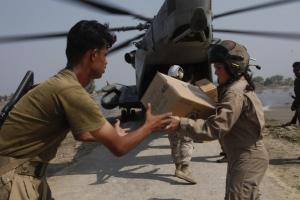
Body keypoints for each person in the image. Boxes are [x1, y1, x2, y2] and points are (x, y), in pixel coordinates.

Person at [0, 20, 172, 200]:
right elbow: (119, 148)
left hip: (27, 174)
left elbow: (81, 134)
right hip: (13, 178)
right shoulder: (71, 91)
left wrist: (110, 132)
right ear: (93, 55)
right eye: (105, 55)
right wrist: (149, 126)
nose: (106, 61)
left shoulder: (63, 83)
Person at [166, 40, 269, 199]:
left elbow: (216, 128)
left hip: (246, 156)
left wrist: (181, 123)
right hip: (242, 155)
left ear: (233, 67)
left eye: (219, 68)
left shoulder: (234, 92)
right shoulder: (236, 86)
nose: (215, 73)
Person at [167, 65, 196, 184]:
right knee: (187, 141)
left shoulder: (166, 88)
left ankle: (177, 168)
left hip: (169, 120)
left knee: (174, 144)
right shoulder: (183, 87)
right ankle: (184, 168)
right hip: (181, 120)